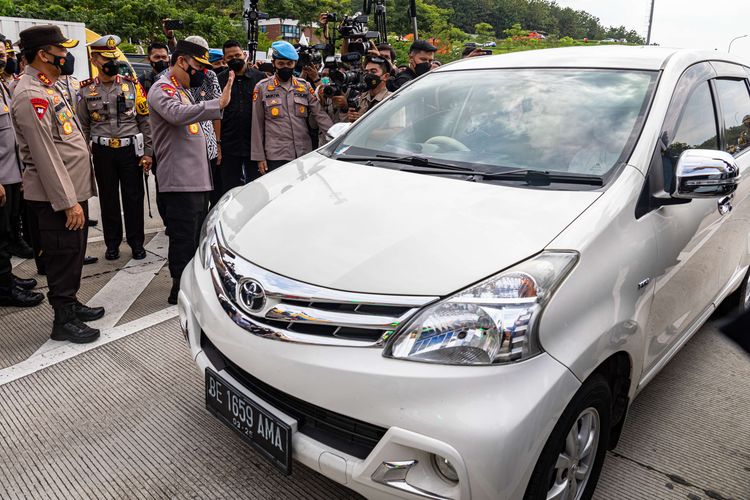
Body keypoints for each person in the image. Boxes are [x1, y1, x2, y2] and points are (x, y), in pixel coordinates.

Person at [11, 24, 105, 343]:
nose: (67, 55)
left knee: (72, 254)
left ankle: (72, 304)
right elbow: (45, 154)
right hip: (56, 198)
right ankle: (63, 321)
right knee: (62, 255)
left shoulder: (49, 85)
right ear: (44, 54)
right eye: (62, 50)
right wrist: (67, 202)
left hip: (70, 192)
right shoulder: (30, 94)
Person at [147, 39, 234, 304]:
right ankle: (179, 288)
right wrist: (217, 103)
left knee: (196, 234)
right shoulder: (162, 89)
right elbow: (177, 114)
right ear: (182, 61)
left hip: (196, 179)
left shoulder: (182, 89)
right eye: (197, 66)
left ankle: (190, 282)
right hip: (180, 180)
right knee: (183, 237)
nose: (202, 73)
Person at [78, 35, 153, 261]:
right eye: (105, 58)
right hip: (103, 152)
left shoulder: (132, 85)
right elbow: (83, 125)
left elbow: (144, 120)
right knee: (108, 199)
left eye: (114, 56)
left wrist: (148, 152)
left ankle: (136, 242)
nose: (111, 62)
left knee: (133, 197)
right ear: (95, 60)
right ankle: (112, 244)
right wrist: (84, 154)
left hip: (130, 150)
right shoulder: (85, 90)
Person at [251, 41, 333, 175]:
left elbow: (320, 115)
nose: (285, 67)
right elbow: (257, 124)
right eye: (281, 64)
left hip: (303, 153)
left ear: (295, 64)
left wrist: (335, 137)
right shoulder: (262, 87)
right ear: (274, 63)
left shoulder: (304, 86)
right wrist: (259, 157)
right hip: (276, 155)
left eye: (289, 64)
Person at [215, 40, 266, 191]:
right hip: (229, 145)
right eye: (230, 57)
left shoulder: (260, 78)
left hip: (255, 145)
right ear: (224, 60)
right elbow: (215, 114)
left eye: (238, 55)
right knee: (230, 190)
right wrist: (218, 145)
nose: (235, 59)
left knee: (257, 189)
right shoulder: (219, 80)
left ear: (244, 55)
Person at [347, 56, 392, 122]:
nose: (368, 75)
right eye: (366, 72)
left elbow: (397, 130)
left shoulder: (391, 100)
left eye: (373, 71)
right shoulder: (360, 97)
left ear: (385, 76)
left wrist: (364, 125)